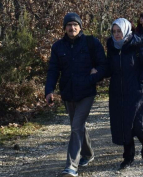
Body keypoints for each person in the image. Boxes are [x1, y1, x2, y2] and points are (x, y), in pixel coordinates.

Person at [45, 12, 107, 177]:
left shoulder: (91, 43)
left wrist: (94, 76)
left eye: (75, 25)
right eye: (69, 25)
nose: (72, 28)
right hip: (68, 93)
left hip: (86, 92)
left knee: (76, 126)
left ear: (80, 26)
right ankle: (88, 153)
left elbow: (104, 66)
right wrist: (49, 90)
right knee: (77, 126)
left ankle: (71, 166)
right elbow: (53, 70)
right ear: (64, 28)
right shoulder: (58, 47)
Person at [106, 18, 143, 170]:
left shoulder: (137, 44)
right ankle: (128, 156)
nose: (117, 34)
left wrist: (141, 84)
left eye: (119, 31)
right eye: (114, 31)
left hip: (137, 92)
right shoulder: (112, 46)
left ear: (126, 30)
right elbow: (109, 67)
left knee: (139, 126)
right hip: (118, 92)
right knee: (123, 125)